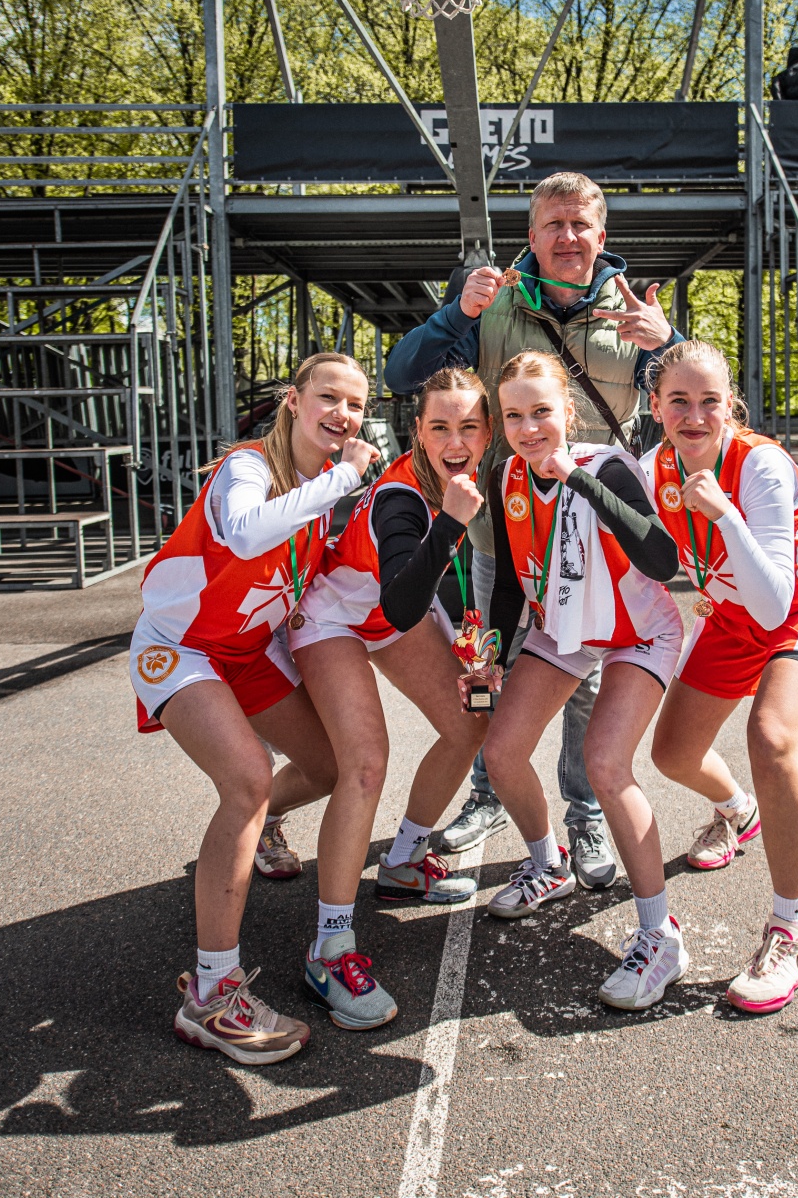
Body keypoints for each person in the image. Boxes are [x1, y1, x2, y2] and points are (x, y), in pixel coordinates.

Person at [384, 171, 682, 889]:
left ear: (601, 235)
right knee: (492, 661)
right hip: (503, 529)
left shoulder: (631, 312)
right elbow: (402, 374)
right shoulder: (492, 299)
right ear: (531, 235)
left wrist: (669, 342)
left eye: (580, 224)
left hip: (594, 539)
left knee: (581, 681)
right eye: (553, 224)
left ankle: (583, 814)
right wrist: (455, 314)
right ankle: (489, 795)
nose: (567, 237)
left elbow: (695, 400)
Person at [129, 352, 379, 1064]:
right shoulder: (248, 467)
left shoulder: (325, 492)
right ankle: (212, 995)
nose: (342, 414)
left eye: (356, 404)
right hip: (181, 646)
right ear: (294, 401)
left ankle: (260, 828)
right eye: (328, 397)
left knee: (328, 766)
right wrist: (342, 478)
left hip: (245, 652)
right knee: (245, 780)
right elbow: (243, 532)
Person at [642, 339, 798, 1014]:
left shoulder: (758, 463)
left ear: (730, 405)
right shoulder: (652, 467)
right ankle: (739, 813)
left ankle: (791, 931)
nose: (694, 416)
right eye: (678, 400)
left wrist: (725, 514)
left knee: (770, 738)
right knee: (671, 754)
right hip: (734, 615)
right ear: (654, 405)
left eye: (709, 401)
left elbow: (772, 602)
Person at [285, 367, 494, 1031]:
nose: (455, 441)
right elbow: (404, 602)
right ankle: (329, 948)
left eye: (469, 426)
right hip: (334, 616)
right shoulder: (400, 498)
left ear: (488, 432)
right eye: (440, 427)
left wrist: (476, 659)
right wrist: (452, 522)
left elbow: (436, 590)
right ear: (417, 432)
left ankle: (402, 862)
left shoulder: (484, 476)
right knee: (363, 765)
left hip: (388, 610)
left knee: (473, 722)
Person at [477, 351, 687, 1011]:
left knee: (604, 764)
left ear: (567, 412)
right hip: (564, 628)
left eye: (541, 411)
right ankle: (548, 864)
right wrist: (490, 655)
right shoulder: (505, 474)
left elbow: (662, 559)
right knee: (501, 751)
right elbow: (508, 580)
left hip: (636, 630)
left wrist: (574, 478)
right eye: (513, 415)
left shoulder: (606, 467)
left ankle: (659, 936)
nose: (528, 428)